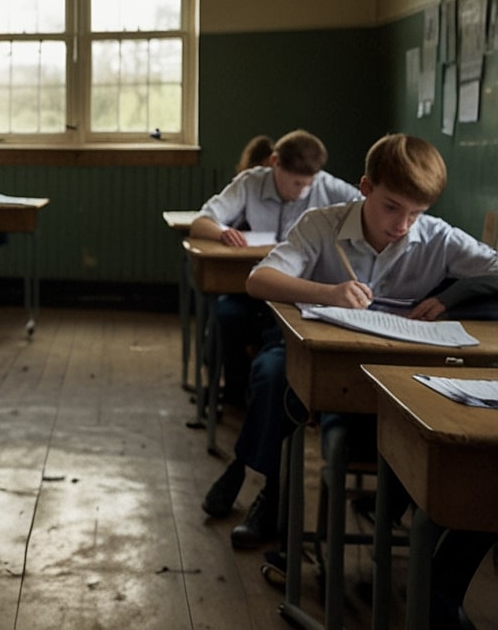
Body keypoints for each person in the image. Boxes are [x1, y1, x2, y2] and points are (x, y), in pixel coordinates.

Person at [222, 134, 498, 562]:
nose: (402, 224)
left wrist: (451, 297)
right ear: (365, 187)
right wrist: (328, 293)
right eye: (392, 207)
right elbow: (259, 281)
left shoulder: (438, 237)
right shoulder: (322, 224)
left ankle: (409, 521)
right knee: (274, 372)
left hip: (397, 366)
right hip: (321, 353)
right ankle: (271, 493)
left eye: (416, 212)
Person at [195, 129, 361, 522]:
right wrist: (223, 232)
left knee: (272, 371)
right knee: (229, 318)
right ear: (274, 164)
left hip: (299, 300)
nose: (301, 191)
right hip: (257, 287)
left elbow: (365, 213)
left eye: (308, 184)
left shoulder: (332, 192)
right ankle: (234, 393)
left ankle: (244, 467)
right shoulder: (251, 183)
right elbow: (204, 220)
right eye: (294, 182)